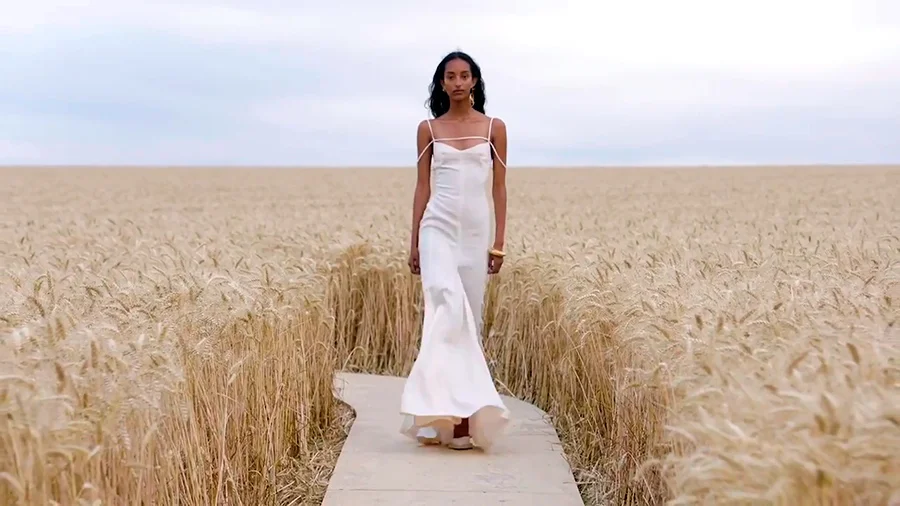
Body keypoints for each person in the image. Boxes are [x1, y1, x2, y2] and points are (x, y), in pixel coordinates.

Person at [399, 50, 511, 451]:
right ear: (442, 84)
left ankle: (460, 421)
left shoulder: (494, 128)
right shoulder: (427, 129)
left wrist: (498, 244)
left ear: (475, 82)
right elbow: (422, 187)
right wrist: (413, 241)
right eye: (451, 76)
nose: (459, 82)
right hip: (437, 228)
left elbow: (499, 187)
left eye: (465, 75)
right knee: (446, 312)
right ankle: (437, 415)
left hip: (475, 233)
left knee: (471, 321)